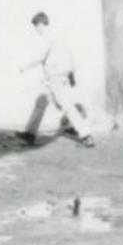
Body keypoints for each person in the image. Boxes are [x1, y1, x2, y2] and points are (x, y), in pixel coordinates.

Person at [16, 12, 94, 147]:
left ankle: (86, 135)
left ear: (41, 24)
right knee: (41, 102)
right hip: (56, 76)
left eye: (36, 26)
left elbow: (40, 56)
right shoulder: (59, 36)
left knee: (67, 106)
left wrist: (25, 66)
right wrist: (71, 75)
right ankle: (30, 133)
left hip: (55, 77)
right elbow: (70, 57)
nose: (36, 30)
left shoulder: (48, 37)